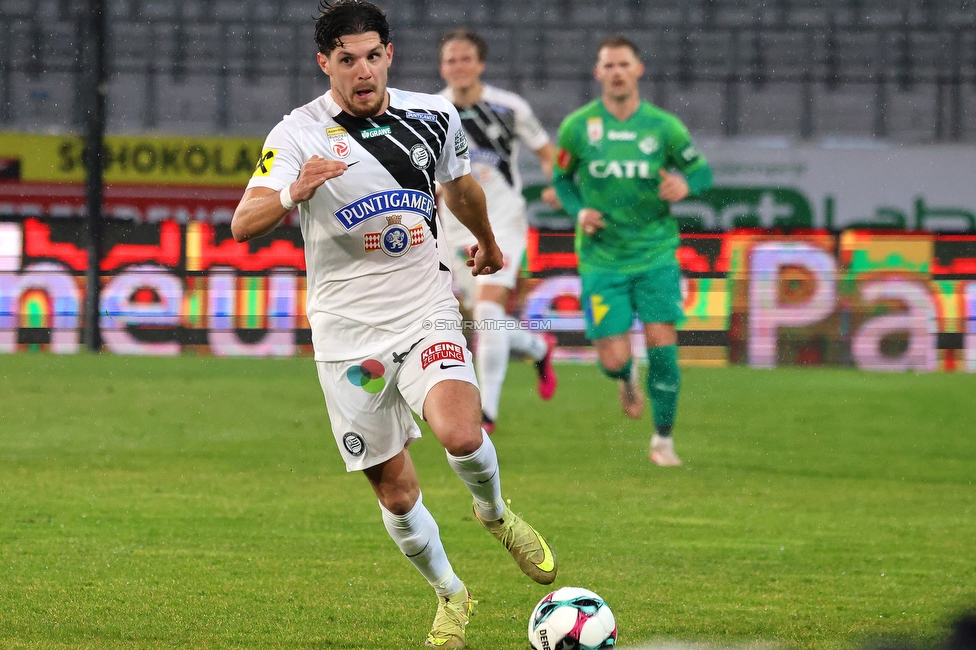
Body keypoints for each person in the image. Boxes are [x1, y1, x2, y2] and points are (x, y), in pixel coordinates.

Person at [230, 3, 557, 648]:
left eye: (372, 55)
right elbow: (244, 222)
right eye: (346, 59)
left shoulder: (435, 117)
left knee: (461, 434)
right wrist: (295, 190)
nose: (362, 70)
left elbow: (460, 187)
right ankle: (451, 594)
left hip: (424, 308)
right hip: (346, 334)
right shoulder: (296, 134)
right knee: (397, 493)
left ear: (389, 54)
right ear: (324, 63)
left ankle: (495, 514)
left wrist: (488, 244)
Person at [551, 35, 713, 467]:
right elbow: (562, 181)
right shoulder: (578, 127)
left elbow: (701, 170)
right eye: (609, 65)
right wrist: (578, 209)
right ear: (598, 73)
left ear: (638, 70)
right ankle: (625, 379)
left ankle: (663, 441)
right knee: (612, 358)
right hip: (602, 258)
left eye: (624, 64)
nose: (617, 72)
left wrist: (686, 184)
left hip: (656, 252)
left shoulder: (664, 127)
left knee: (663, 344)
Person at [436, 29, 559, 435]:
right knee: (485, 322)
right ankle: (538, 347)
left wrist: (557, 182)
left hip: (502, 220)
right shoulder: (431, 112)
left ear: (480, 64)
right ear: (443, 67)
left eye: (466, 59)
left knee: (487, 313)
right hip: (452, 228)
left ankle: (485, 414)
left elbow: (547, 154)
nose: (459, 66)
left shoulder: (509, 107)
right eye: (451, 60)